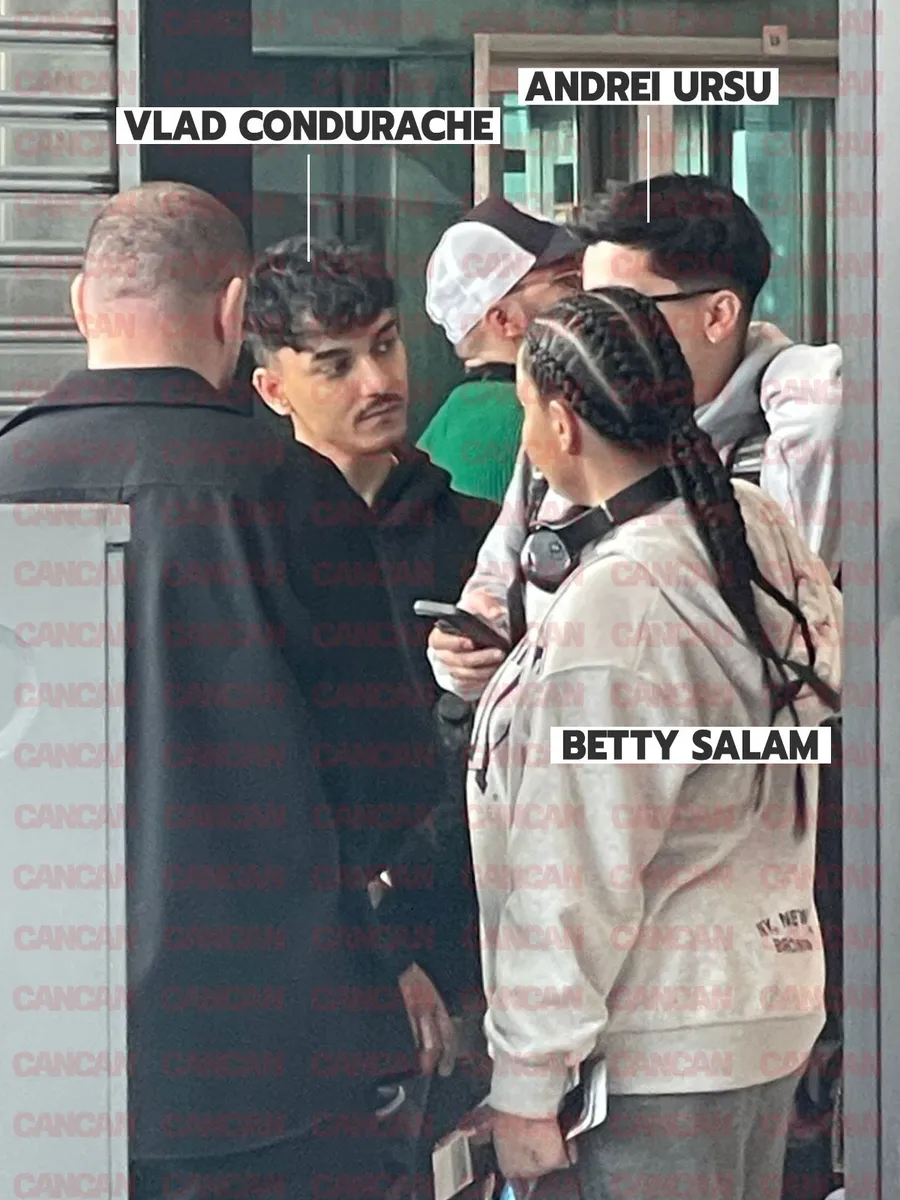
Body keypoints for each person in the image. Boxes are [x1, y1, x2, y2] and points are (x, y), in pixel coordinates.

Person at [0, 183, 416, 1198]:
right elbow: (389, 783)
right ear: (234, 311)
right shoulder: (297, 497)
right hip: (268, 1065)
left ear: (81, 304)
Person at [466, 289, 842, 1200]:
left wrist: (527, 1083)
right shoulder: (747, 527)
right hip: (763, 1008)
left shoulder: (619, 606)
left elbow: (574, 868)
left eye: (524, 411)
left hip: (654, 1051)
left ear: (562, 422)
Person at [244, 236, 500, 1190]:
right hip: (326, 966)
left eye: (387, 345)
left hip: (487, 939)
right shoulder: (251, 550)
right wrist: (383, 946)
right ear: (274, 388)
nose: (378, 381)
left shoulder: (477, 537)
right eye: (336, 364)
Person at [428, 174, 842, 703]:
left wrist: (791, 370)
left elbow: (792, 608)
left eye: (624, 307)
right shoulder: (572, 423)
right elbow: (497, 582)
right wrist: (464, 650)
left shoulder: (779, 436)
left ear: (718, 315)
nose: (596, 331)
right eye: (585, 302)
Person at [417, 197, 583, 504]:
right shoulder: (545, 420)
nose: (585, 293)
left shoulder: (445, 421)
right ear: (504, 320)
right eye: (569, 281)